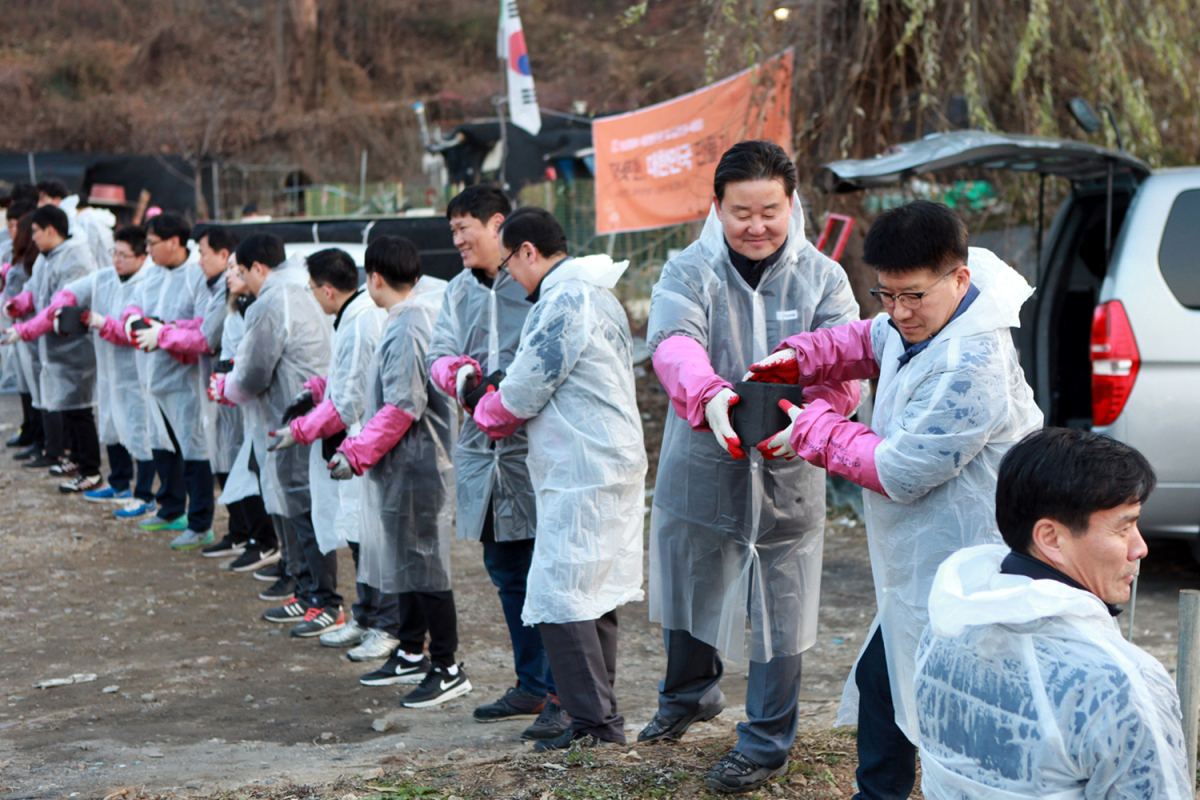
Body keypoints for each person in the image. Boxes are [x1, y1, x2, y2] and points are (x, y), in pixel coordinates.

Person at [747, 200, 1044, 800]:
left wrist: (809, 428)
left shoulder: (972, 361)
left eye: (912, 297)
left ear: (959, 279)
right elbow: (870, 337)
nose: (899, 311)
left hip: (967, 555)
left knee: (947, 704)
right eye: (886, 294)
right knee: (888, 683)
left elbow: (902, 469)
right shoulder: (920, 314)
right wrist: (804, 356)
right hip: (920, 557)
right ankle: (877, 792)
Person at [642, 140, 861, 792]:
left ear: (792, 203)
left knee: (781, 600)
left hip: (791, 461)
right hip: (706, 450)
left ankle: (766, 742)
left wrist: (815, 421)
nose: (757, 225)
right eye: (743, 212)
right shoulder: (689, 270)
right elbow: (673, 340)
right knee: (691, 576)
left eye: (771, 210)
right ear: (718, 207)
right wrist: (705, 392)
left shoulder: (823, 278)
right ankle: (688, 693)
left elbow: (845, 363)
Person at [914, 427, 1189, 798]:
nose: (1139, 548)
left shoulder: (944, 627)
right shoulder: (1120, 684)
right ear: (1050, 538)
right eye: (1124, 527)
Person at [473, 207, 646, 751]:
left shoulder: (565, 299)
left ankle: (594, 724)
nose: (509, 277)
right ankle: (598, 714)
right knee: (593, 594)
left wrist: (482, 402)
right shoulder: (599, 293)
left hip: (582, 468)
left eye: (508, 264)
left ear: (528, 251)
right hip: (604, 460)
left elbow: (523, 392)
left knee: (562, 596)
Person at [427, 185, 565, 741]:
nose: (458, 240)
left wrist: (509, 389)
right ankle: (531, 683)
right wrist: (462, 377)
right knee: (506, 571)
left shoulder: (534, 284)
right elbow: (438, 354)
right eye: (453, 230)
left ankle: (564, 692)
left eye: (465, 228)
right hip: (482, 452)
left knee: (549, 569)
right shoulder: (459, 291)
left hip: (534, 450)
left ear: (498, 225)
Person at [326, 236, 465, 705]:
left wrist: (356, 451)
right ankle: (410, 649)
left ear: (374, 278)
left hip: (419, 465)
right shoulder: (408, 316)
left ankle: (446, 664)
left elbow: (403, 405)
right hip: (403, 465)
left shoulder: (409, 325)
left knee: (425, 565)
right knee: (408, 561)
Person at [266, 248, 393, 660]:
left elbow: (349, 403)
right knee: (358, 535)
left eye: (311, 290)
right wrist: (319, 388)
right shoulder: (351, 318)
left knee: (369, 539)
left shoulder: (359, 322)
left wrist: (297, 430)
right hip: (353, 442)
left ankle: (384, 624)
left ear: (326, 290)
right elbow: (345, 382)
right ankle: (367, 615)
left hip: (361, 442)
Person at [211, 234, 334, 637]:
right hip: (304, 412)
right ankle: (305, 590)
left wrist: (225, 387)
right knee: (295, 506)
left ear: (258, 269)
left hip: (290, 417)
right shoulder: (299, 290)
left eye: (242, 271)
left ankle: (321, 598)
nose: (241, 279)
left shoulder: (271, 301)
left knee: (301, 510)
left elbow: (255, 372)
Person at [119, 214, 222, 549]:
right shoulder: (153, 274)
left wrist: (163, 331)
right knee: (162, 445)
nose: (147, 250)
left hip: (184, 380)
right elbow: (135, 302)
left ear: (175, 242)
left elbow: (203, 328)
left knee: (195, 451)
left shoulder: (196, 276)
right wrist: (133, 317)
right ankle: (171, 507)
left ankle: (201, 522)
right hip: (153, 376)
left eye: (152, 243)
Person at [44, 225, 160, 517]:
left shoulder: (149, 282)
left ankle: (144, 493)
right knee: (110, 425)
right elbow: (71, 291)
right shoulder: (105, 278)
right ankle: (119, 484)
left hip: (136, 374)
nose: (117, 260)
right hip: (108, 370)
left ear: (141, 255)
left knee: (140, 431)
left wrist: (101, 322)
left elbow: (135, 329)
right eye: (114, 253)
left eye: (124, 255)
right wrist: (62, 307)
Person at [2, 204, 101, 492]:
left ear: (50, 230)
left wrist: (23, 330)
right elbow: (34, 291)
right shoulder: (48, 257)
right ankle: (77, 461)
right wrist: (17, 305)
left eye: (34, 232)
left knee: (80, 411)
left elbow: (60, 310)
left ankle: (91, 470)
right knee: (69, 408)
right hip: (55, 349)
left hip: (74, 349)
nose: (31, 238)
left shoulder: (75, 258)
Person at [211, 256, 282, 579]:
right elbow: (228, 357)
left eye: (236, 270)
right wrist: (225, 378)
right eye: (227, 269)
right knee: (246, 472)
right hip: (245, 409)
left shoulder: (269, 308)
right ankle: (255, 536)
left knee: (269, 478)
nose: (229, 276)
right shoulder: (234, 313)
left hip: (272, 410)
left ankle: (270, 543)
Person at [2, 200, 42, 457]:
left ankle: (43, 440)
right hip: (18, 327)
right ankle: (32, 432)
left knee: (40, 390)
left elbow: (34, 295)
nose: (10, 230)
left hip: (32, 331)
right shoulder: (16, 256)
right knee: (26, 385)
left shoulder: (35, 260)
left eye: (14, 225)